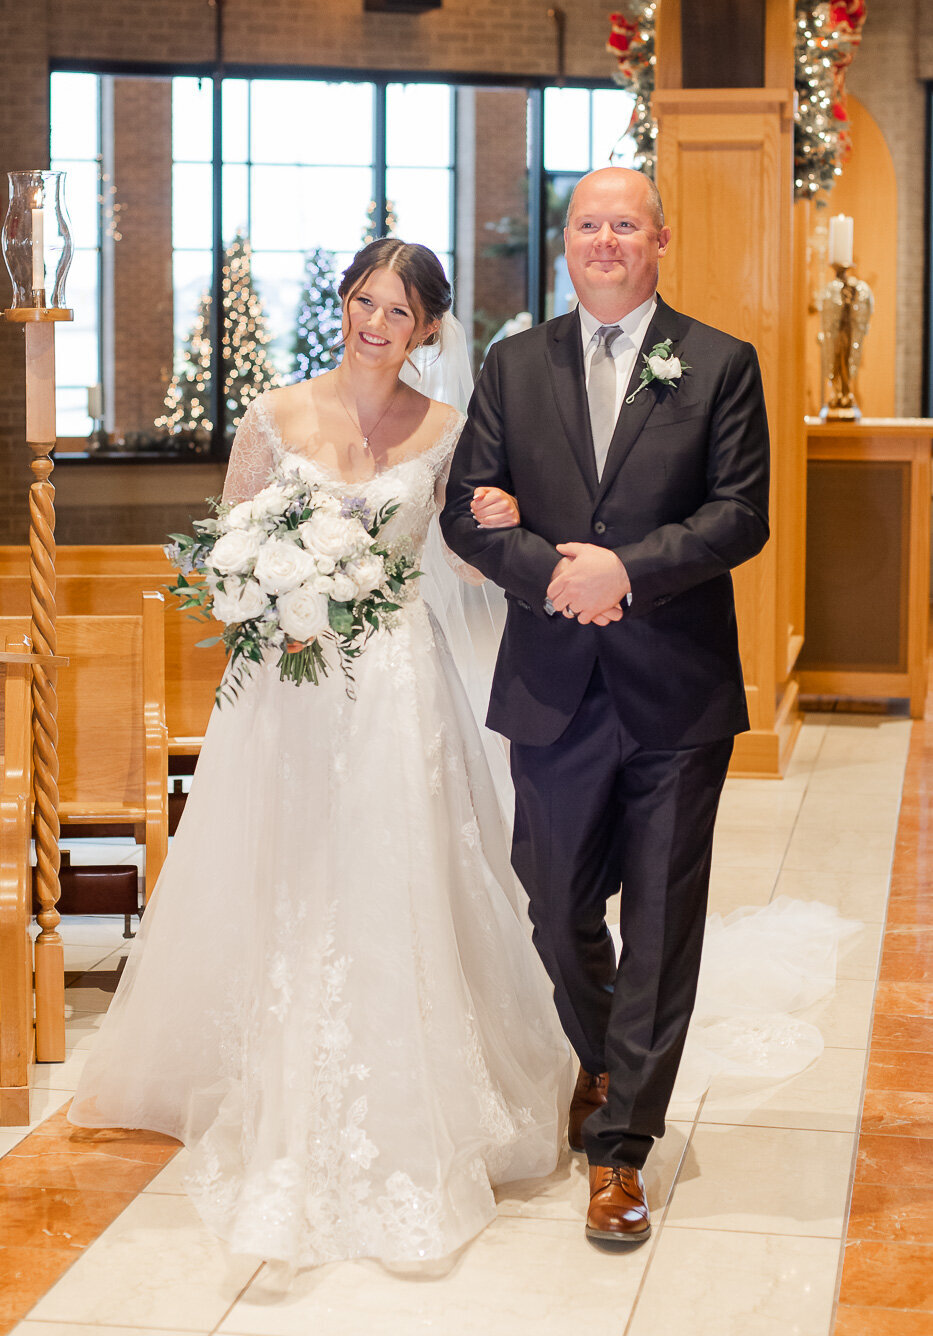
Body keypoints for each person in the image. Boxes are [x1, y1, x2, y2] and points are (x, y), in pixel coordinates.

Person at [69, 238, 573, 1270]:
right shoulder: (275, 413)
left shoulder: (446, 428)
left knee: (393, 881)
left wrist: (514, 517)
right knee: (288, 876)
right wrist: (263, 588)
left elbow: (471, 550)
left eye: (396, 310)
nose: (372, 323)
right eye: (360, 301)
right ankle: (269, 1067)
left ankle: (405, 1081)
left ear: (429, 325)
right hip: (288, 694)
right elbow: (226, 550)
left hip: (396, 690)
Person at [440, 166, 772, 1245]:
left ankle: (620, 1144)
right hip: (551, 683)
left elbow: (740, 513)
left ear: (660, 239)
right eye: (589, 223)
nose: (606, 239)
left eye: (626, 223)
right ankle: (611, 1053)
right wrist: (548, 569)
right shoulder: (512, 362)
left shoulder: (721, 362)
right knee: (551, 899)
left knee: (663, 923)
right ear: (566, 241)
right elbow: (466, 511)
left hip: (675, 687)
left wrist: (622, 569)